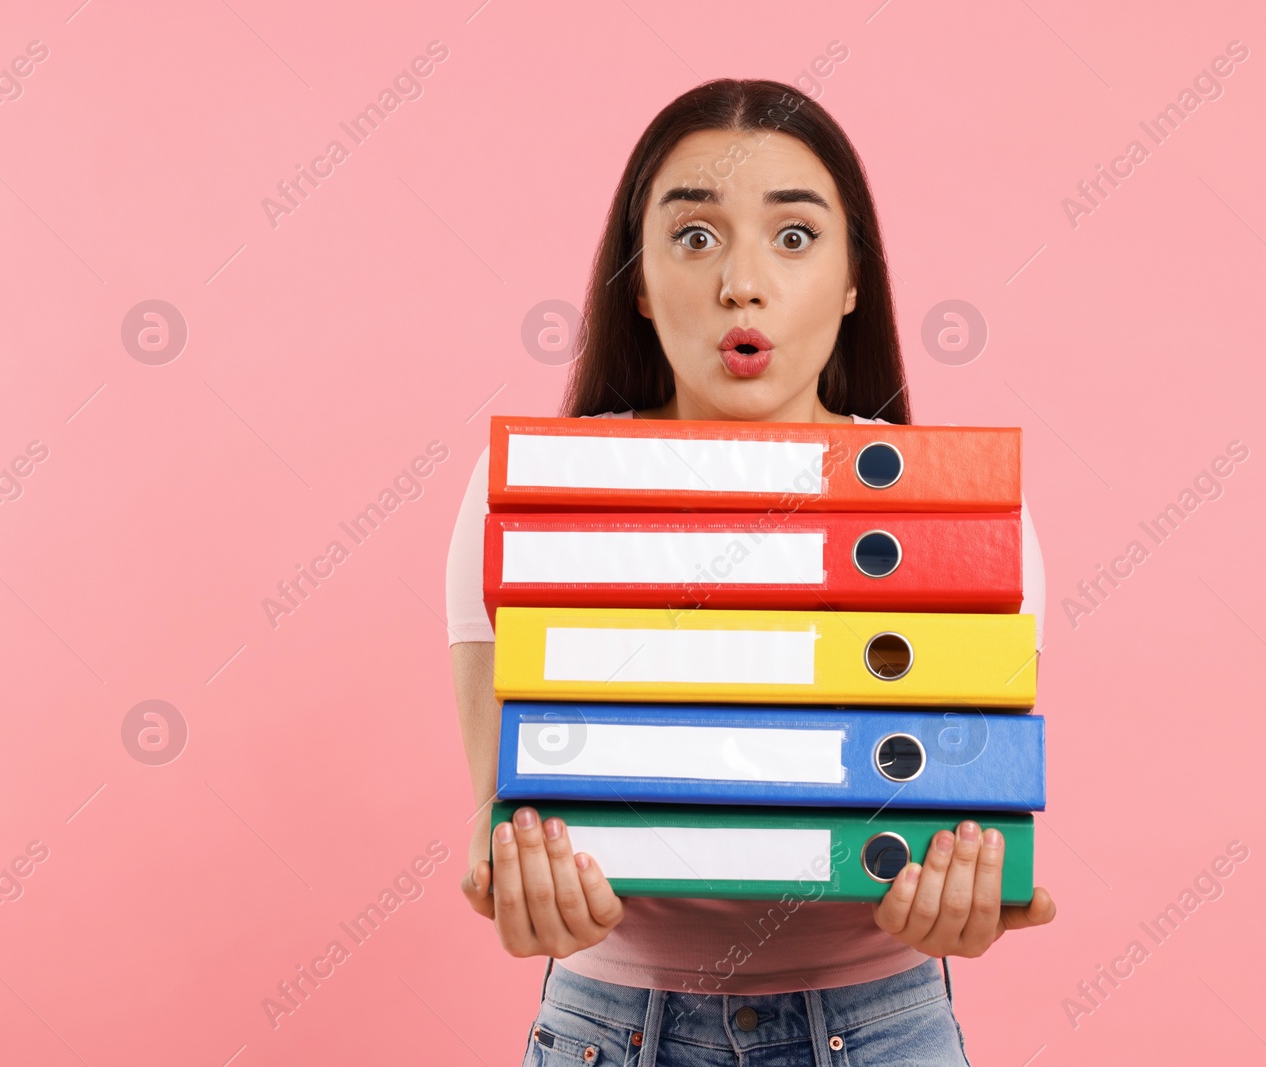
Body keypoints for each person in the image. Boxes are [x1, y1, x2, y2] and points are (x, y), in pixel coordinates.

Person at [444, 78, 1055, 1066]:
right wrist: (516, 883)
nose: (742, 281)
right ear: (637, 279)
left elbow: (972, 798)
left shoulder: (963, 514)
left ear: (854, 277)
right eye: (694, 235)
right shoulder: (523, 493)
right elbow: (493, 820)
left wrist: (966, 896)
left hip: (884, 1028)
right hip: (608, 1027)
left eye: (795, 236)